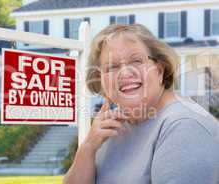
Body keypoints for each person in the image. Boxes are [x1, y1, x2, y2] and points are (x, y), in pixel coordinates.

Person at [63, 24, 219, 184]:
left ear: (160, 69)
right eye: (112, 67)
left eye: (136, 61)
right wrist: (88, 147)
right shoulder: (112, 129)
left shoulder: (184, 127)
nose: (125, 72)